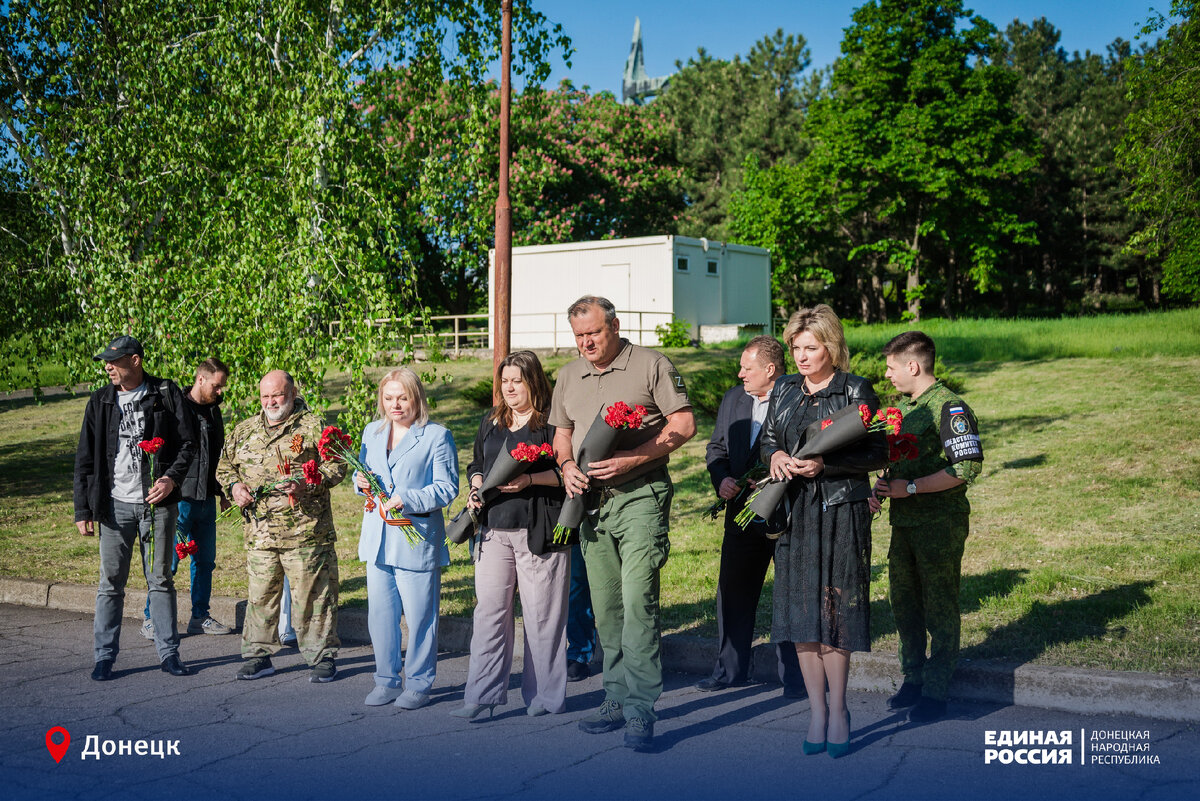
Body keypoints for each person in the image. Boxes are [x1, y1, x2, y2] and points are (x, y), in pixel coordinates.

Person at [551, 295, 696, 751]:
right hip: (590, 505)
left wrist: (634, 457)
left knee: (637, 604)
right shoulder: (568, 374)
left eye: (593, 332)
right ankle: (613, 697)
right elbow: (562, 432)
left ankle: (639, 709)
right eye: (578, 336)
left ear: (613, 326)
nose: (586, 342)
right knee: (608, 608)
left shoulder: (651, 364)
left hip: (641, 497)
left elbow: (684, 424)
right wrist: (566, 465)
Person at [760, 305, 886, 757]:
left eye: (810, 348)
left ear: (831, 347)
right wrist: (774, 457)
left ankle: (839, 710)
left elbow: (877, 451)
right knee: (800, 614)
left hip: (839, 510)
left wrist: (826, 465)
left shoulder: (856, 389)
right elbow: (769, 437)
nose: (802, 357)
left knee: (833, 611)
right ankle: (816, 711)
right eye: (796, 348)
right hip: (794, 509)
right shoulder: (785, 389)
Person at [871, 331, 983, 723]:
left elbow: (965, 468)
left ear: (913, 366)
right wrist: (883, 489)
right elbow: (901, 461)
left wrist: (912, 488)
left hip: (939, 524)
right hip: (904, 523)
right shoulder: (905, 407)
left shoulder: (949, 408)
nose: (887, 374)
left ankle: (936, 691)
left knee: (939, 606)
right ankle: (913, 679)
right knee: (905, 605)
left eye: (890, 366)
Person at [452, 351, 568, 719]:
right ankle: (482, 697)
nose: (510, 387)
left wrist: (530, 479)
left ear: (534, 382)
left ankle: (545, 698)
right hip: (492, 532)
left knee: (542, 616)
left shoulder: (553, 424)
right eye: (505, 381)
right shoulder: (493, 421)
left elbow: (571, 473)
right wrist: (475, 485)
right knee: (489, 614)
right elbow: (476, 463)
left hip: (539, 530)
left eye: (517, 380)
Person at [74, 335, 197, 681]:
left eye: (114, 361)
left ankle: (169, 654)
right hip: (114, 508)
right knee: (110, 583)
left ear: (136, 361)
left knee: (161, 580)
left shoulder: (166, 394)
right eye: (106, 362)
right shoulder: (100, 402)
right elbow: (85, 459)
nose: (108, 368)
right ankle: (104, 657)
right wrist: (83, 510)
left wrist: (171, 478)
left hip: (157, 507)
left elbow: (189, 444)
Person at [217, 370, 346, 683]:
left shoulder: (316, 426)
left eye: (277, 395)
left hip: (306, 532)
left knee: (313, 598)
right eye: (265, 396)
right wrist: (234, 487)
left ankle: (321, 657)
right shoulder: (245, 429)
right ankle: (258, 656)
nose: (271, 401)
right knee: (261, 597)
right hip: (260, 533)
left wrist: (307, 484)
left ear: (292, 392)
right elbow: (225, 466)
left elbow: (338, 466)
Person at [698, 335, 803, 697]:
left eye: (747, 367)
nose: (740, 373)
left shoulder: (797, 397)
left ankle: (795, 677)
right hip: (740, 513)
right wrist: (722, 479)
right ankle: (730, 671)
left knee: (789, 595)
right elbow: (716, 448)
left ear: (770, 369)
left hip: (786, 514)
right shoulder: (733, 398)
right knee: (733, 592)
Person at [354, 368, 458, 710]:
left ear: (417, 398)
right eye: (388, 398)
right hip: (378, 540)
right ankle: (385, 680)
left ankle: (418, 683)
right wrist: (360, 482)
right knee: (381, 616)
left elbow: (447, 488)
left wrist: (410, 498)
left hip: (415, 541)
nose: (395, 405)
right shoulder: (371, 432)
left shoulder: (436, 436)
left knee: (420, 618)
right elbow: (364, 474)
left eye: (402, 397)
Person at [141, 358, 233, 640]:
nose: (220, 392)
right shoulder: (176, 408)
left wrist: (223, 492)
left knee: (205, 562)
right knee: (168, 562)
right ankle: (150, 618)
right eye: (217, 386)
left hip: (206, 499)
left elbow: (219, 455)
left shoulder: (214, 412)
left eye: (222, 387)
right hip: (179, 499)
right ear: (201, 379)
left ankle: (199, 616)